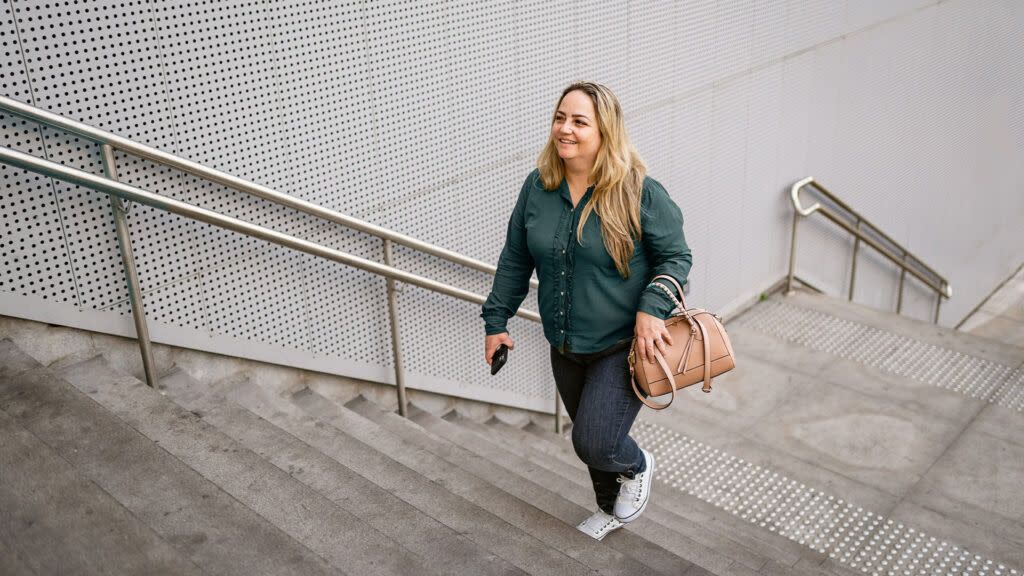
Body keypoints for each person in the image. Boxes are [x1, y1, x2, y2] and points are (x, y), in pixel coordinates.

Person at [480, 81, 693, 540]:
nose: (565, 129)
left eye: (579, 121)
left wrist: (651, 308)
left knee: (595, 439)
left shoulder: (640, 192)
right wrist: (496, 321)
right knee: (591, 446)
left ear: (605, 132)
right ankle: (609, 511)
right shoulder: (538, 187)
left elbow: (677, 257)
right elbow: (515, 258)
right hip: (564, 344)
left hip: (623, 346)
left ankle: (638, 465)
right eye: (560, 117)